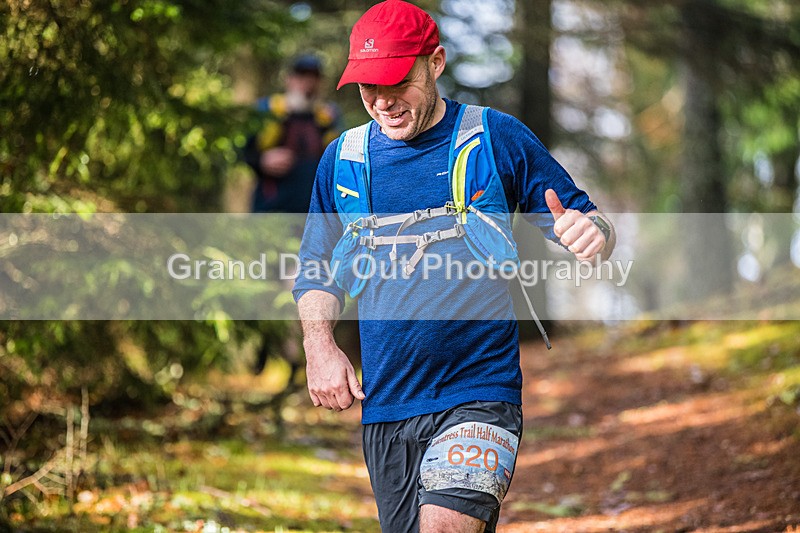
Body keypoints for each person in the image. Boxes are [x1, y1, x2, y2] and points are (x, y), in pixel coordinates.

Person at [292, 1, 616, 531]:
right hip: (388, 405)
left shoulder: (494, 137)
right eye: (368, 86)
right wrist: (319, 346)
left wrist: (592, 234)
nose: (383, 101)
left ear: (435, 63)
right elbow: (315, 267)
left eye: (397, 81)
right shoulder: (344, 159)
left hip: (481, 391)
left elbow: (586, 220)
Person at [243, 54, 341, 214]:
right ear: (289, 79)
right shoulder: (267, 109)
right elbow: (242, 151)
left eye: (314, 76)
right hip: (272, 206)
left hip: (313, 209)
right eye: (302, 75)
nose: (308, 82)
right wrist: (261, 161)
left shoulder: (329, 117)